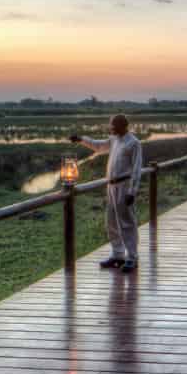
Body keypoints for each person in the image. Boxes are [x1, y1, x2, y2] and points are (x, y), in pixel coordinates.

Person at [70, 114, 143, 272]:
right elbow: (99, 146)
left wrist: (132, 191)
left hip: (124, 186)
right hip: (111, 186)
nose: (110, 128)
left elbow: (137, 169)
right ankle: (117, 255)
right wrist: (81, 139)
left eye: (112, 126)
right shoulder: (114, 140)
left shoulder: (134, 143)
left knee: (127, 223)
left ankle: (132, 258)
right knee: (111, 222)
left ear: (122, 126)